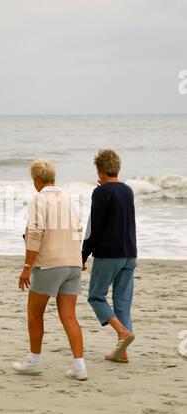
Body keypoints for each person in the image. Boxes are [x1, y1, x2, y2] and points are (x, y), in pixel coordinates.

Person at [12, 160, 87, 380]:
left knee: (35, 313)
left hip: (49, 264)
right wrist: (77, 257)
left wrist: (27, 267)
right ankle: (79, 365)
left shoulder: (39, 199)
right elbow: (78, 229)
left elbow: (35, 233)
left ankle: (34, 361)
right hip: (73, 263)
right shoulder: (67, 199)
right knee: (69, 316)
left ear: (36, 179)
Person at [82, 149, 137, 363]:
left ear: (101, 170)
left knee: (96, 296)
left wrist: (83, 255)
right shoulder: (128, 190)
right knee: (122, 302)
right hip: (130, 253)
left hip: (109, 254)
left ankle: (122, 333)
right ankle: (122, 352)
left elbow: (94, 229)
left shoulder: (101, 193)